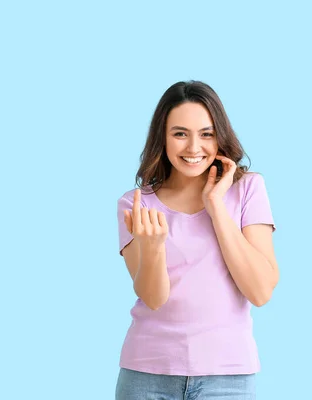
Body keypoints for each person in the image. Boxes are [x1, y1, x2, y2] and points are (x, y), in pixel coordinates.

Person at [114, 80, 279, 399]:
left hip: (227, 378)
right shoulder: (135, 205)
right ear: (162, 137)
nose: (193, 148)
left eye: (206, 134)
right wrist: (153, 246)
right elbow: (153, 298)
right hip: (147, 375)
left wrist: (216, 206)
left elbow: (260, 292)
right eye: (180, 133)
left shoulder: (248, 190)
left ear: (220, 136)